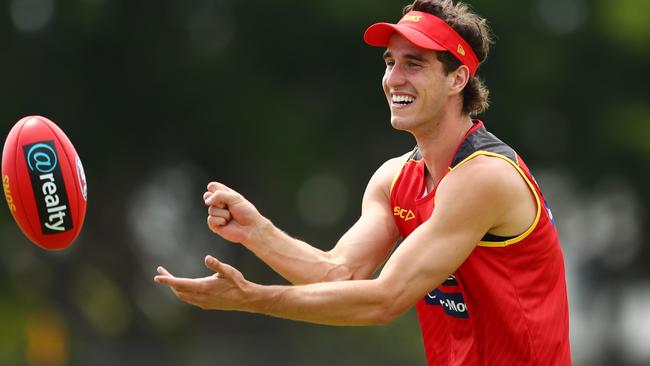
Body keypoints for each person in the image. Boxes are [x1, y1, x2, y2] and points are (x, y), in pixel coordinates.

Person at [154, 0, 572, 364]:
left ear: (457, 79)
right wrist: (257, 232)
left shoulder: (484, 177)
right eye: (390, 62)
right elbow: (342, 275)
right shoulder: (394, 179)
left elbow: (385, 299)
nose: (394, 78)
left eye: (414, 63)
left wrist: (253, 297)